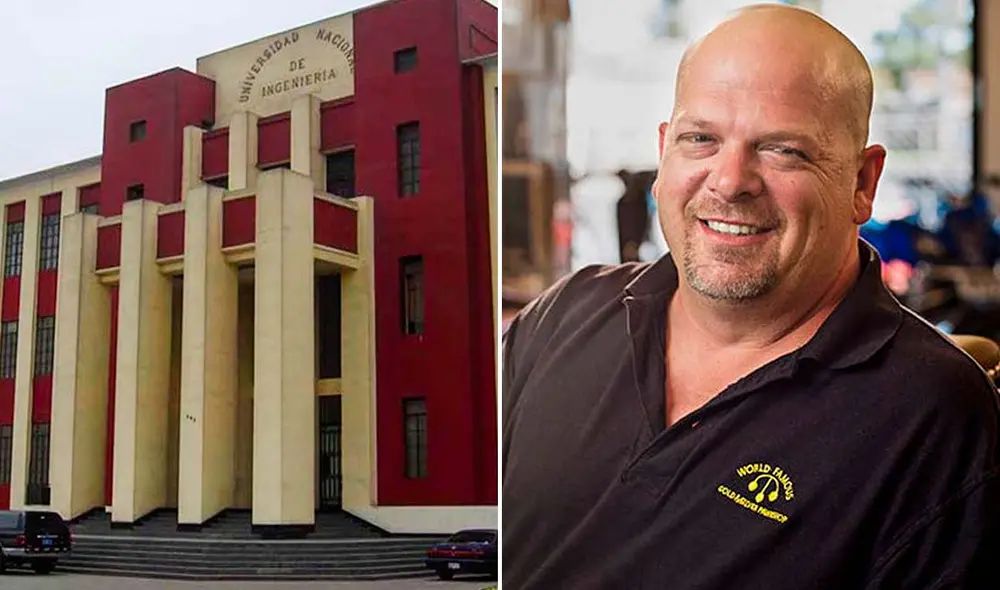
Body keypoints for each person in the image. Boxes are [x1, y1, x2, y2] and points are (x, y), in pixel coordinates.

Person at [501, 5, 1000, 589]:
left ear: (862, 183)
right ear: (664, 153)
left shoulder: (933, 418)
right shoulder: (563, 317)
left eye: (783, 149)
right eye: (700, 139)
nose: (730, 180)